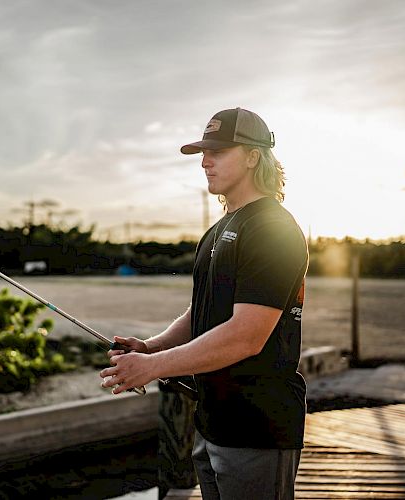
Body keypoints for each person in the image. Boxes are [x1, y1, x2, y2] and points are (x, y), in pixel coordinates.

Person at [100, 107, 309, 499]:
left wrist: (153, 367)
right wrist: (151, 346)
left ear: (252, 156)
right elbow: (205, 312)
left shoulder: (272, 228)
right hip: (212, 421)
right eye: (202, 152)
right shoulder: (218, 229)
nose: (204, 161)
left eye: (218, 151)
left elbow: (246, 336)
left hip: (257, 427)